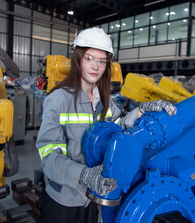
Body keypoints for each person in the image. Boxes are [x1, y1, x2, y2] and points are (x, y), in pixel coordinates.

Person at [36, 27, 177, 223]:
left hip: (92, 197)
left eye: (101, 61)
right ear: (77, 59)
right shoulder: (58, 100)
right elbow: (49, 157)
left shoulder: (105, 102)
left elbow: (117, 129)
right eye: (89, 58)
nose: (95, 66)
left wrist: (142, 110)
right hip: (63, 200)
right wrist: (84, 174)